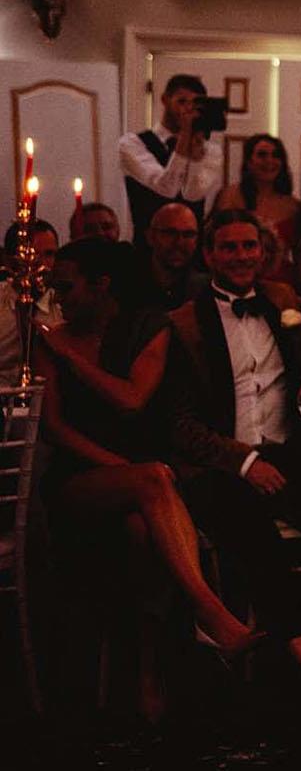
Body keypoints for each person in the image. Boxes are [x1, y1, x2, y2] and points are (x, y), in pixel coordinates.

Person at [33, 238, 260, 722]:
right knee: (154, 480)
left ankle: (148, 674)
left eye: (66, 286)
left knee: (142, 531)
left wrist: (73, 359)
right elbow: (55, 428)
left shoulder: (145, 327)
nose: (59, 296)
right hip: (81, 480)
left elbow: (133, 399)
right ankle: (211, 614)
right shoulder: (49, 340)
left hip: (143, 481)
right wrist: (119, 468)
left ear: (101, 286)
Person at [162, 209, 301, 705]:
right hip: (224, 466)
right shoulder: (183, 325)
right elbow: (178, 425)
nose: (242, 257)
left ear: (262, 251)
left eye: (250, 247)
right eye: (230, 248)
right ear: (209, 254)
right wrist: (243, 463)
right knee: (260, 547)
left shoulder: (280, 299)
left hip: (289, 453)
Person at [118, 73, 222, 247]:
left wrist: (195, 156)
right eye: (182, 102)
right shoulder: (132, 143)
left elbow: (193, 194)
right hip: (147, 247)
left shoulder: (210, 150)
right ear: (165, 100)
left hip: (192, 247)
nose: (187, 110)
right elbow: (166, 187)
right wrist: (184, 140)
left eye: (195, 104)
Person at [213, 134, 301, 285]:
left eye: (276, 155)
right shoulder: (229, 197)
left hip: (281, 282)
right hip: (235, 279)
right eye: (262, 155)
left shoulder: (293, 206)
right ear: (249, 162)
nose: (269, 161)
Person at [0, 219, 61, 384]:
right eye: (31, 255)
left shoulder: (65, 304)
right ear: (8, 260)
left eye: (49, 254)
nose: (41, 264)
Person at [140, 203, 209, 311]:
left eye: (188, 235)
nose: (179, 243)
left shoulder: (207, 291)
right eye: (170, 233)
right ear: (150, 237)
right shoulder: (125, 287)